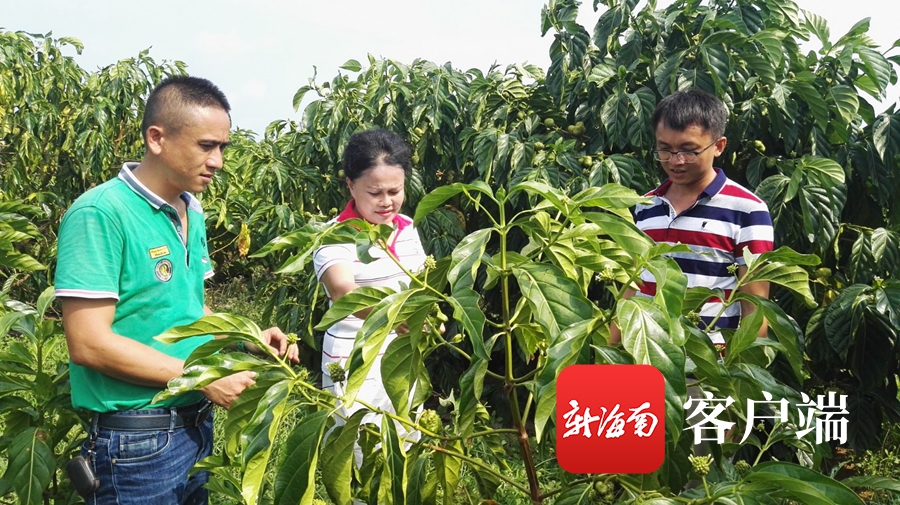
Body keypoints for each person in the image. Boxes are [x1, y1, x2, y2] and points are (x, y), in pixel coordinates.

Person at [55, 75, 298, 505]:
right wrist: (201, 378)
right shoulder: (100, 213)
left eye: (223, 147)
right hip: (136, 439)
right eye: (207, 146)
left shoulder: (191, 210)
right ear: (156, 138)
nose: (218, 160)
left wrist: (249, 337)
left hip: (193, 425)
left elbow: (187, 313)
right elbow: (89, 343)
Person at [610, 89, 774, 351]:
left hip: (706, 365)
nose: (676, 161)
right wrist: (613, 349)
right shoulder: (645, 206)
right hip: (642, 355)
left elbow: (755, 303)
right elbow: (631, 286)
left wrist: (746, 374)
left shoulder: (747, 210)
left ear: (718, 146)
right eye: (665, 149)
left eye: (689, 150)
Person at [312, 128, 427, 447]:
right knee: (362, 458)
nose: (387, 202)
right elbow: (342, 292)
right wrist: (397, 319)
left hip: (405, 356)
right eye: (375, 193)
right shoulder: (335, 237)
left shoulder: (407, 229)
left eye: (395, 190)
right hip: (354, 363)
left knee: (406, 447)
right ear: (350, 185)